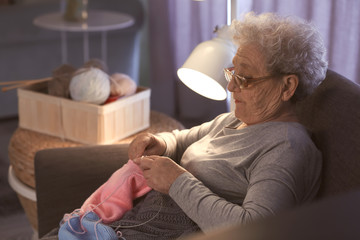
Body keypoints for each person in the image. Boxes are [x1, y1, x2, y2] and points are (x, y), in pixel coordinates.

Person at [126, 11, 328, 234]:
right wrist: (161, 143)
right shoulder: (236, 119)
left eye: (245, 79)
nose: (231, 87)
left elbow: (254, 230)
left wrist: (177, 182)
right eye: (233, 73)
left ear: (287, 87)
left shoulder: (287, 148)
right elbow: (183, 140)